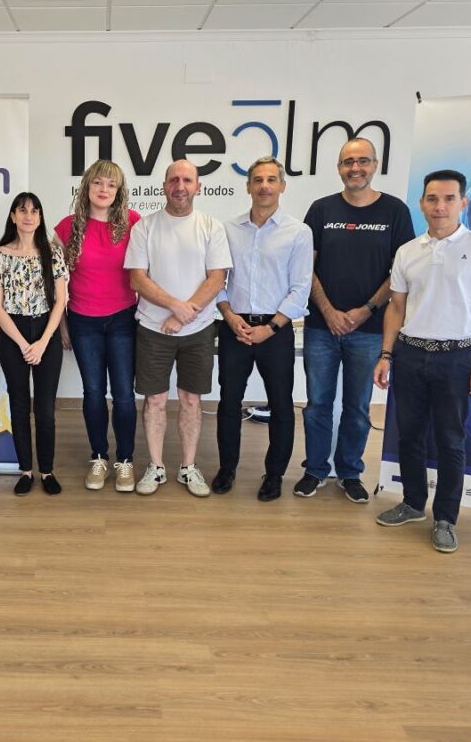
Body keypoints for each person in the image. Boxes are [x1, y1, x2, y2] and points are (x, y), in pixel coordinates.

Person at [373, 170, 471, 554]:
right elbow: (396, 307)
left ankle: (445, 518)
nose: (440, 206)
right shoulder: (407, 251)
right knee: (409, 436)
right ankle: (413, 503)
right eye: (432, 198)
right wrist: (386, 354)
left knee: (450, 441)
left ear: (463, 202)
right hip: (410, 354)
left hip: (456, 358)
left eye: (448, 198)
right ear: (422, 203)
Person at [298, 137, 414, 503]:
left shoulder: (395, 211)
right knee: (317, 404)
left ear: (375, 165)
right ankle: (315, 470)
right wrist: (329, 312)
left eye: (363, 161)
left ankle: (349, 472)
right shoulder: (321, 209)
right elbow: (305, 268)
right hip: (321, 327)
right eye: (348, 162)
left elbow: (400, 272)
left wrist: (366, 309)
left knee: (358, 408)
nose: (355, 168)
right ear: (339, 168)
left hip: (369, 330)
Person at [124, 159, 231, 498]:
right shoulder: (145, 227)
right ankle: (156, 466)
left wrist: (184, 316)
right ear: (164, 186)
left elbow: (217, 278)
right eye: (173, 180)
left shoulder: (211, 227)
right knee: (155, 399)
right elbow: (137, 278)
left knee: (190, 399)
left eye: (187, 180)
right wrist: (175, 307)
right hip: (152, 329)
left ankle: (188, 466)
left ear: (198, 186)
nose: (180, 186)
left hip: (198, 331)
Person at [215, 156, 313, 500]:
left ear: (282, 186)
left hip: (276, 330)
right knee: (228, 402)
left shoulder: (298, 232)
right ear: (248, 186)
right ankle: (226, 469)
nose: (264, 186)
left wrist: (270, 328)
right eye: (257, 180)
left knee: (281, 404)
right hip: (235, 327)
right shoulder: (228, 229)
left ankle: (274, 475)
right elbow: (217, 280)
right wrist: (229, 315)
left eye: (271, 180)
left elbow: (300, 289)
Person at [55, 160, 140, 492]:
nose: (104, 190)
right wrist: (62, 325)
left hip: (122, 320)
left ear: (119, 191)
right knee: (93, 392)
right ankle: (99, 457)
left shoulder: (133, 223)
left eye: (111, 184)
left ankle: (125, 461)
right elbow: (56, 284)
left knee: (124, 394)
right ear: (87, 187)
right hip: (82, 321)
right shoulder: (66, 228)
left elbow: (146, 273)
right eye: (98, 183)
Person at [0, 192, 68, 496]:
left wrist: (43, 342)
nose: (28, 216)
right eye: (22, 211)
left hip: (46, 332)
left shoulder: (53, 253)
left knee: (45, 409)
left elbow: (60, 301)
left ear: (40, 217)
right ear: (13, 216)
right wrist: (22, 343)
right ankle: (25, 471)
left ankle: (46, 471)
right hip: (13, 334)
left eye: (34, 211)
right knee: (19, 406)